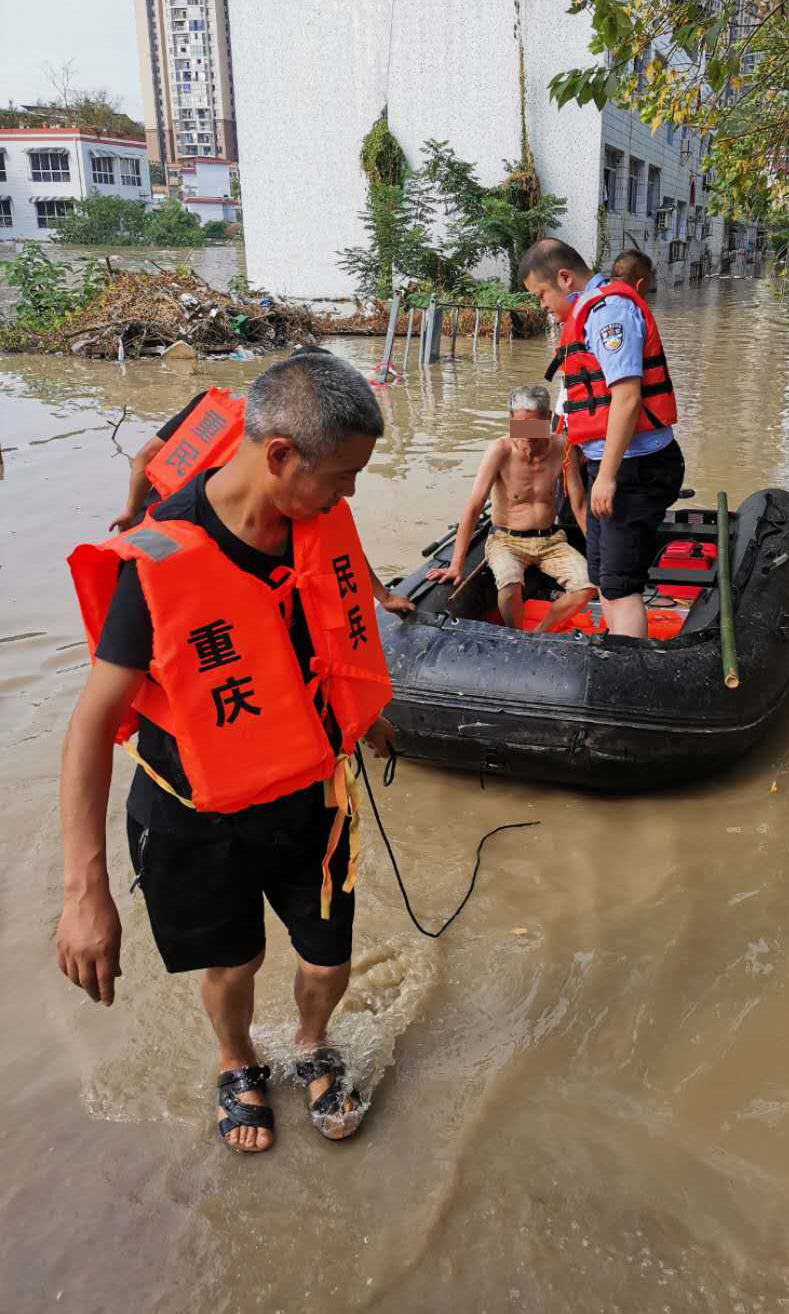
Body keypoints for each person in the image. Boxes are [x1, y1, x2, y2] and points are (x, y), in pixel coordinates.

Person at [58, 351, 397, 1155]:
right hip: (196, 812)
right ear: (279, 456)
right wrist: (84, 893)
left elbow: (334, 613)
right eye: (341, 477)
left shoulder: (313, 522)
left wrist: (365, 714)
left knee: (326, 955)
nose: (348, 496)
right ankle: (236, 1061)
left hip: (310, 797)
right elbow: (89, 727)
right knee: (233, 963)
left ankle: (313, 1044)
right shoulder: (162, 565)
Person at [109, 366, 414, 616]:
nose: (349, 491)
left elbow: (148, 455)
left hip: (159, 520)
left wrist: (130, 509)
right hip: (183, 532)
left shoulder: (223, 413)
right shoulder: (294, 470)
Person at [520, 239, 684, 639]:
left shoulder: (609, 312)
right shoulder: (583, 320)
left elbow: (627, 397)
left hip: (633, 467)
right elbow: (574, 407)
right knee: (601, 572)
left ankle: (627, 673)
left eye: (541, 294)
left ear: (564, 277)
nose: (542, 305)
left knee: (619, 582)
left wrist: (607, 476)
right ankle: (614, 646)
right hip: (606, 462)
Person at [426, 384, 596, 633]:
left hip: (552, 541)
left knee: (587, 588)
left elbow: (579, 505)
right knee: (509, 586)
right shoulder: (500, 450)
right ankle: (516, 635)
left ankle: (538, 634)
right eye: (520, 425)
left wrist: (599, 555)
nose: (527, 435)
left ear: (549, 417)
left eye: (534, 426)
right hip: (506, 540)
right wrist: (456, 565)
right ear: (511, 421)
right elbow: (473, 507)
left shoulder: (563, 447)